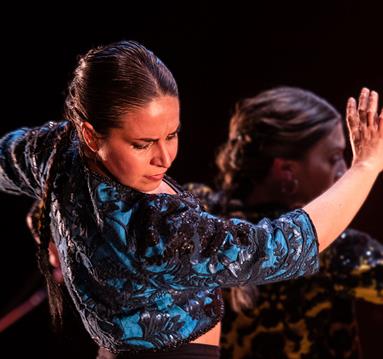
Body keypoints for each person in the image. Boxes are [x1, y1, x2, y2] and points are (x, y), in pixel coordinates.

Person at [0, 41, 382, 358]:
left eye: (172, 134)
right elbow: (276, 248)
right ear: (90, 133)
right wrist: (364, 167)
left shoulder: (57, 151)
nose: (164, 158)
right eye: (142, 143)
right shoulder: (156, 228)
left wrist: (57, 229)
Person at [188, 86, 383, 358]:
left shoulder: (197, 215)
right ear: (286, 170)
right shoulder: (334, 249)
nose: (343, 170)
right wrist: (367, 166)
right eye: (334, 157)